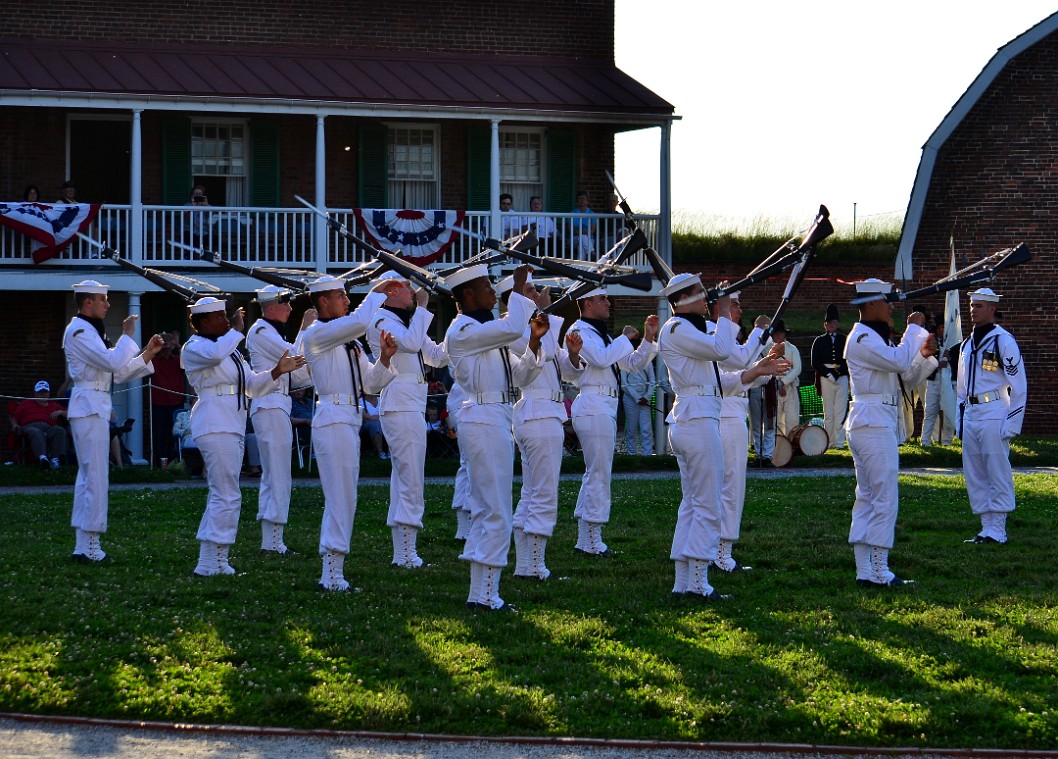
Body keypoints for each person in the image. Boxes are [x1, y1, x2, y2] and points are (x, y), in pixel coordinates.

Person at [659, 273, 790, 601]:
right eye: (701, 295)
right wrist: (724, 309)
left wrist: (756, 370)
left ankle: (683, 582)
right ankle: (699, 582)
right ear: (685, 298)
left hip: (697, 416)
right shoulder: (676, 329)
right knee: (707, 503)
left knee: (692, 504)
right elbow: (721, 349)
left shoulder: (687, 329)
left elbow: (718, 380)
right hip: (697, 421)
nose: (707, 299)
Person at [181, 297, 306, 577]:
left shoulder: (232, 352)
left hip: (233, 423)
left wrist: (277, 371)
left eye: (227, 317)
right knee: (224, 492)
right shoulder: (195, 347)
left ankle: (218, 558)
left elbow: (251, 386)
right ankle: (208, 561)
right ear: (203, 322)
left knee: (228, 493)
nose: (227, 321)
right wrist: (236, 331)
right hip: (214, 423)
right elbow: (214, 356)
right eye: (220, 318)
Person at [443, 263, 543, 611]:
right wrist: (518, 289)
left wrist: (533, 344)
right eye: (487, 284)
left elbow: (521, 375)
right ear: (468, 293)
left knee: (491, 505)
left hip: (496, 415)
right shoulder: (463, 329)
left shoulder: (485, 328)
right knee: (495, 508)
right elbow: (513, 323)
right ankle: (485, 595)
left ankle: (481, 592)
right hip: (482, 417)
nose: (492, 290)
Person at [297, 275, 396, 591]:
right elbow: (357, 321)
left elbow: (371, 384)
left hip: (349, 418)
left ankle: (333, 567)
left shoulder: (351, 342)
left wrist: (385, 358)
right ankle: (331, 572)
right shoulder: (316, 334)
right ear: (323, 301)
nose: (347, 300)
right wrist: (375, 293)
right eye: (341, 296)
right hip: (333, 417)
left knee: (344, 495)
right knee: (341, 496)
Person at [844, 279, 937, 587]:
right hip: (871, 422)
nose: (892, 306)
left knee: (870, 497)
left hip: (876, 419)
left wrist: (924, 357)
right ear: (871, 304)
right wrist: (913, 330)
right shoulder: (861, 338)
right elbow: (898, 360)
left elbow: (904, 380)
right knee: (882, 497)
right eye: (887, 301)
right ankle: (878, 571)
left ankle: (867, 571)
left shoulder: (873, 338)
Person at [63, 279, 163, 562]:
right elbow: (111, 363)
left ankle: (83, 545)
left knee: (89, 477)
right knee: (95, 476)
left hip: (95, 405)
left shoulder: (92, 331)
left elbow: (117, 374)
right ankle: (91, 546)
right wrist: (127, 335)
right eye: (103, 299)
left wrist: (147, 354)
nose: (108, 304)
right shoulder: (81, 330)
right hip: (89, 406)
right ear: (88, 302)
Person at [498, 273, 584, 581]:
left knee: (532, 491)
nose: (538, 294)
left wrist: (573, 354)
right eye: (531, 290)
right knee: (543, 493)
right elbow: (528, 365)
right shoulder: (513, 327)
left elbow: (569, 371)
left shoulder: (538, 327)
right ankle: (533, 565)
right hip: (536, 413)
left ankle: (527, 564)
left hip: (545, 413)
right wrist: (546, 315)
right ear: (516, 296)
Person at [365, 270, 449, 569]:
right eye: (408, 288)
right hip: (400, 407)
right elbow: (412, 345)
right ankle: (405, 554)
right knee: (410, 479)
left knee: (406, 478)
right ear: (391, 291)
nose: (414, 292)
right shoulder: (381, 320)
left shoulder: (406, 322)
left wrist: (461, 324)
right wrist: (425, 307)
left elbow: (436, 357)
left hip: (410, 406)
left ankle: (403, 551)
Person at [567, 287, 658, 555]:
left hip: (603, 403)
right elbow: (601, 359)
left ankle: (586, 537)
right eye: (602, 299)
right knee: (599, 472)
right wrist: (626, 337)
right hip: (593, 402)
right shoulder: (580, 331)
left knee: (595, 471)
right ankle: (592, 538)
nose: (608, 303)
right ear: (586, 303)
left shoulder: (600, 333)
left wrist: (647, 339)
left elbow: (631, 364)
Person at [245, 285, 315, 555]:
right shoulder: (262, 331)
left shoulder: (271, 332)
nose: (289, 309)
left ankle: (270, 540)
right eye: (285, 305)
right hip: (271, 403)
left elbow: (298, 375)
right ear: (271, 306)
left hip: (279, 403)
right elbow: (294, 359)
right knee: (279, 476)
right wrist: (306, 329)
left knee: (276, 474)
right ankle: (273, 542)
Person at [956, 287, 1026, 544]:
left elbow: (1019, 386)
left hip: (995, 410)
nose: (973, 310)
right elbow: (961, 387)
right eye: (972, 305)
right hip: (972, 412)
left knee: (996, 470)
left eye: (979, 306)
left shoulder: (1002, 340)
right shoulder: (966, 343)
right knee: (974, 472)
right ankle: (986, 528)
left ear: (992, 309)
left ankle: (998, 529)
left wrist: (1012, 422)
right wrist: (960, 419)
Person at [713, 293, 773, 570]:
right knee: (730, 485)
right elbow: (739, 362)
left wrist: (767, 367)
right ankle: (721, 553)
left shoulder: (727, 338)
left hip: (734, 411)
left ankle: (720, 550)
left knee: (730, 485)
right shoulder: (715, 334)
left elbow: (745, 372)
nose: (739, 309)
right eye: (734, 305)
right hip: (725, 414)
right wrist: (760, 331)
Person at [811, 304, 849, 449]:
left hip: (841, 377)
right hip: (825, 377)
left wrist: (837, 373)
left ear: (837, 324)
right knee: (828, 410)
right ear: (825, 325)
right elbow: (815, 362)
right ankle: (830, 441)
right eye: (829, 323)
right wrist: (827, 373)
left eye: (834, 323)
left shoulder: (844, 339)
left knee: (840, 410)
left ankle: (839, 442)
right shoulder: (819, 341)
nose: (831, 325)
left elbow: (849, 360)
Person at [10, 380, 68, 469]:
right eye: (40, 392)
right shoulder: (26, 403)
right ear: (35, 393)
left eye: (45, 392)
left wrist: (61, 412)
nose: (42, 394)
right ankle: (43, 459)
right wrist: (14, 425)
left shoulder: (54, 405)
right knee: (36, 432)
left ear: (48, 393)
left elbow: (70, 414)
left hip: (49, 428)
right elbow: (14, 418)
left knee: (59, 430)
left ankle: (55, 460)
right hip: (29, 427)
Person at [148, 331, 185, 467]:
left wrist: (178, 345)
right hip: (159, 403)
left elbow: (190, 360)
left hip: (176, 402)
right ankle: (160, 465)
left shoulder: (177, 360)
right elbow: (138, 360)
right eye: (164, 342)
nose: (166, 346)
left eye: (168, 343)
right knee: (160, 435)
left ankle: (175, 463)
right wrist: (151, 347)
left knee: (175, 434)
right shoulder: (154, 361)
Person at [921, 322, 957, 446]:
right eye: (941, 327)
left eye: (944, 327)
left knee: (949, 412)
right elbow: (923, 360)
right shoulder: (931, 342)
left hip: (949, 381)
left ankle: (948, 441)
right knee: (930, 411)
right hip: (934, 380)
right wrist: (937, 364)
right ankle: (925, 441)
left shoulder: (954, 344)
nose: (943, 330)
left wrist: (950, 357)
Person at [771, 319, 802, 437]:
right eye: (775, 333)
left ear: (784, 334)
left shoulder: (792, 349)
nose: (778, 335)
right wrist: (776, 383)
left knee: (792, 418)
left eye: (780, 333)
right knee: (776, 419)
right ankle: (777, 446)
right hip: (773, 386)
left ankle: (792, 443)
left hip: (790, 386)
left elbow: (797, 369)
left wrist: (783, 383)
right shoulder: (768, 349)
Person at [621, 353, 655, 455]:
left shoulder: (647, 362)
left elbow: (652, 381)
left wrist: (646, 396)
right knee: (631, 429)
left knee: (646, 429)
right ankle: (631, 455)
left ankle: (647, 456)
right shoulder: (624, 363)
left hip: (645, 398)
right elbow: (624, 384)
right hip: (630, 398)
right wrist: (637, 397)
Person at [569, 191, 597, 260]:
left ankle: (579, 266)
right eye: (580, 199)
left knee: (581, 245)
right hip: (574, 239)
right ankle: (591, 252)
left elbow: (592, 231)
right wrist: (581, 231)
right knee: (582, 237)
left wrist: (581, 231)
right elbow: (571, 229)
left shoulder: (592, 214)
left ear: (587, 201)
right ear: (577, 202)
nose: (582, 200)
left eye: (584, 198)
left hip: (589, 239)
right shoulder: (572, 213)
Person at [361, 394, 388, 459]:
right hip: (366, 426)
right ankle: (380, 453)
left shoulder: (381, 399)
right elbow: (367, 417)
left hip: (382, 423)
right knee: (375, 424)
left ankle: (390, 452)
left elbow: (387, 414)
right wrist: (380, 417)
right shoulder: (360, 401)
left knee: (389, 424)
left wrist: (376, 417)